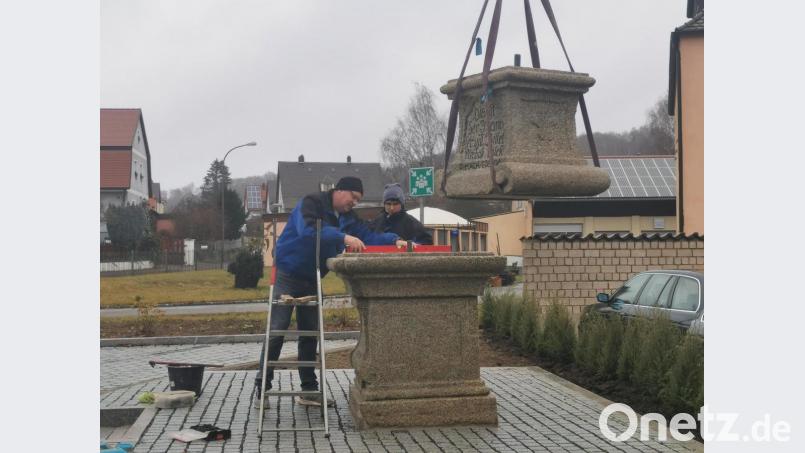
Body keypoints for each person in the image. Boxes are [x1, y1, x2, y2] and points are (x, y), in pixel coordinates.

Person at [254, 176, 405, 408]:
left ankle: (308, 389)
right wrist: (342, 237)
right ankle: (262, 386)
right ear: (340, 190)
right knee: (277, 330)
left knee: (310, 334)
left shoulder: (346, 217)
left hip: (312, 277)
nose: (354, 203)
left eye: (357, 200)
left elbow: (365, 236)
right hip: (287, 272)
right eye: (353, 198)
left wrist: (393, 240)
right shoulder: (311, 203)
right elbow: (309, 231)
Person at [369, 183, 433, 245]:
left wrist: (415, 245)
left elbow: (427, 241)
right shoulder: (376, 222)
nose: (392, 208)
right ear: (384, 204)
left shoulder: (411, 223)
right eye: (388, 204)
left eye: (395, 204)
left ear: (401, 204)